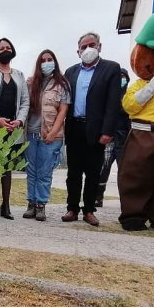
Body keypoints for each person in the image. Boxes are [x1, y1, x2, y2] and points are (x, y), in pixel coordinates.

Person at [62, 32, 121, 226]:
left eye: (92, 45)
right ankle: (72, 208)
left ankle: (89, 210)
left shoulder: (111, 69)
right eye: (84, 46)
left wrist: (108, 131)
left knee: (93, 172)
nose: (88, 49)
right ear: (78, 51)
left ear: (99, 46)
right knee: (73, 172)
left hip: (96, 130)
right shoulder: (70, 72)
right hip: (74, 128)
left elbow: (113, 103)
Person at [0, 37, 30, 219]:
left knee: (7, 168)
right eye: (1, 48)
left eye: (8, 47)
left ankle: (6, 206)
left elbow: (25, 102)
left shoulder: (20, 75)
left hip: (13, 130)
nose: (5, 50)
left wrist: (19, 121)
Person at [23, 50, 69, 221]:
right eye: (43, 60)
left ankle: (41, 204)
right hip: (31, 134)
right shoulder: (31, 84)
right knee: (31, 171)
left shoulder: (62, 84)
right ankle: (31, 203)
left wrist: (53, 133)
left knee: (44, 172)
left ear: (55, 62)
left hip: (51, 136)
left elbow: (63, 111)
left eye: (50, 60)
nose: (46, 63)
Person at [96, 67, 130, 207]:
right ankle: (98, 196)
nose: (121, 79)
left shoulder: (130, 95)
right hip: (109, 138)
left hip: (125, 139)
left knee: (125, 171)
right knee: (103, 168)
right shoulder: (108, 96)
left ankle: (127, 200)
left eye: (124, 77)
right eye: (119, 76)